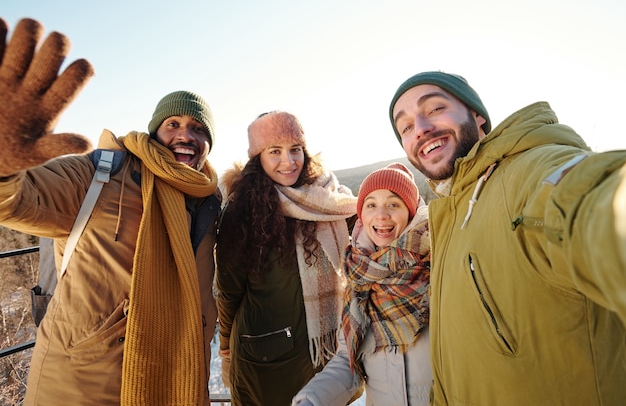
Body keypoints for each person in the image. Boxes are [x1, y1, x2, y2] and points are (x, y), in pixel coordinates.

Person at [0, 17, 221, 406]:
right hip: (80, 384)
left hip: (174, 382)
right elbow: (18, 200)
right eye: (173, 124)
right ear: (154, 131)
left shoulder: (206, 202)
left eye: (199, 129)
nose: (186, 135)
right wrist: (4, 161)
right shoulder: (100, 173)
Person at [388, 70, 626, 406]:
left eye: (435, 108)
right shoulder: (448, 215)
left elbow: (586, 201)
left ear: (477, 116)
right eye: (406, 127)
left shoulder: (528, 172)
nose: (421, 129)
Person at [215, 111, 358, 406]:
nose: (288, 162)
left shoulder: (328, 199)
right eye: (275, 151)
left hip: (323, 353)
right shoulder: (241, 209)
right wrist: (226, 349)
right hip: (264, 359)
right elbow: (229, 289)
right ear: (258, 157)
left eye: (295, 150)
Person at [292, 162, 432, 406]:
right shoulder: (359, 281)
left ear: (410, 212)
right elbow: (349, 364)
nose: (381, 215)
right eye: (371, 205)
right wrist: (312, 400)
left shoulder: (440, 268)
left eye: (393, 204)